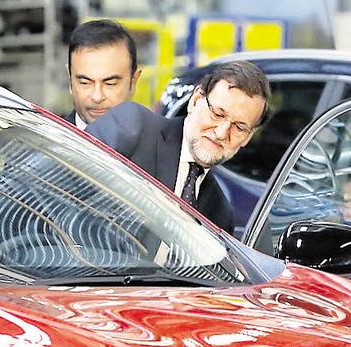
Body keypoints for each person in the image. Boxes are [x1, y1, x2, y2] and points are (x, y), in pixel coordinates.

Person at [86, 59, 270, 234]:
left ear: (248, 137)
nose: (221, 133)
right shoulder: (134, 127)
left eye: (239, 127)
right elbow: (65, 188)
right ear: (196, 100)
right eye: (217, 114)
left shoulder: (220, 213)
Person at [64, 19, 141, 130]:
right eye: (85, 83)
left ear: (133, 81)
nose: (97, 97)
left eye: (110, 83)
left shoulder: (158, 143)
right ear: (70, 80)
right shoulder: (44, 145)